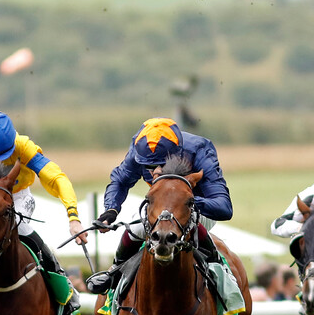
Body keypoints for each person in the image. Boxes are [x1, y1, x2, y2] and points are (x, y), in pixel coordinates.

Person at [86, 117, 232, 294]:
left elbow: (224, 207)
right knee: (137, 227)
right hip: (158, 206)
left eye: (160, 164)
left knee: (190, 221)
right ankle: (115, 272)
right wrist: (111, 208)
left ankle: (221, 277)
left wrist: (184, 201)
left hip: (196, 207)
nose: (153, 170)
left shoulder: (200, 150)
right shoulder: (141, 148)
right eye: (149, 165)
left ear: (176, 154)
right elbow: (120, 181)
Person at [0, 109, 88, 293]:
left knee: (20, 229)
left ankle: (61, 281)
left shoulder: (22, 145)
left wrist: (73, 216)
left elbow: (57, 178)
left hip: (16, 197)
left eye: (2, 156)